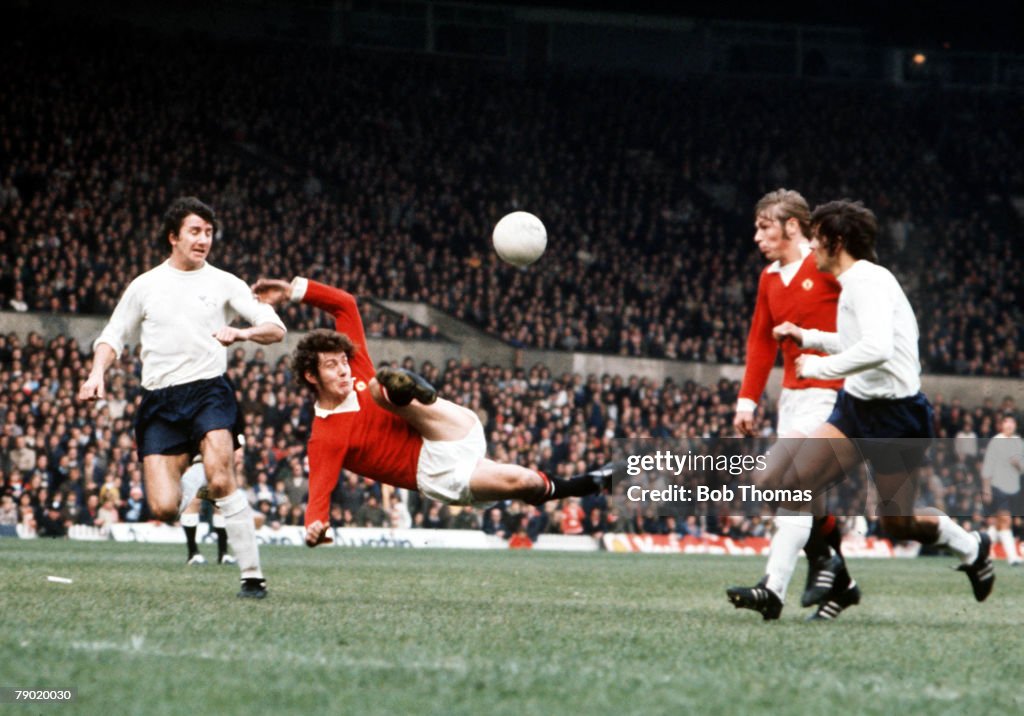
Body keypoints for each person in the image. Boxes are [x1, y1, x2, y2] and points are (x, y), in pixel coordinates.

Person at [754, 199, 995, 610]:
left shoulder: (868, 282)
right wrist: (808, 337)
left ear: (838, 241)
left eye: (817, 240)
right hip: (856, 408)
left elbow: (879, 348)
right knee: (791, 481)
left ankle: (971, 547)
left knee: (897, 522)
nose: (810, 249)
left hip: (896, 417)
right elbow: (857, 342)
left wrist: (825, 366)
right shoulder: (855, 282)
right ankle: (805, 578)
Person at [250, 276, 610, 548]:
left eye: (344, 361)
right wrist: (315, 526)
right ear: (312, 376)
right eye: (332, 366)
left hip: (441, 427)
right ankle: (593, 481)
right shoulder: (324, 437)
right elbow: (319, 494)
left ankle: (416, 390)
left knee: (378, 387)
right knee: (526, 483)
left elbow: (345, 305)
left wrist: (291, 290)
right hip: (435, 472)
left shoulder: (358, 372)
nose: (344, 370)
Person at [77, 196, 285, 598]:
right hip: (159, 401)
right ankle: (196, 471)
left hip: (209, 391)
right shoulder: (145, 285)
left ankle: (252, 577)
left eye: (208, 232)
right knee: (164, 509)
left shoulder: (224, 282)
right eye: (195, 231)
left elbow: (274, 327)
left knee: (223, 478)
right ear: (173, 237)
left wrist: (241, 333)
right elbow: (112, 335)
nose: (203, 239)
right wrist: (96, 373)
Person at [727, 189, 857, 621]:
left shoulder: (826, 265)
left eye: (764, 227)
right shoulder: (768, 279)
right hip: (793, 398)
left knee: (787, 483)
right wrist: (747, 399)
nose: (757, 236)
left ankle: (774, 588)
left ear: (793, 226)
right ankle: (837, 575)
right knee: (776, 487)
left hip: (832, 392)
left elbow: (864, 316)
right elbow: (760, 341)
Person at [981, 414, 1023, 566]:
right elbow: (988, 466)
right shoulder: (996, 441)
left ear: (1015, 425)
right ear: (1002, 425)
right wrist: (986, 489)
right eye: (1006, 422)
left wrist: (1018, 464)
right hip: (998, 486)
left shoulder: (1019, 442)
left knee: (998, 525)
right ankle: (1012, 558)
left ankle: (978, 550)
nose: (1009, 425)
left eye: (1012, 422)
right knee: (1005, 520)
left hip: (1014, 489)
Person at [179, 462, 236, 566]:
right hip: (197, 465)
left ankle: (223, 554)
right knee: (194, 502)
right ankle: (193, 553)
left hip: (217, 467)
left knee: (221, 505)